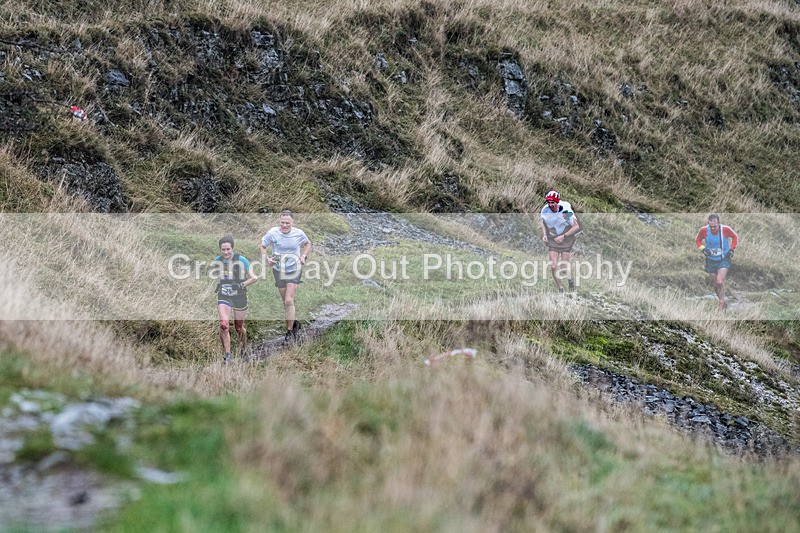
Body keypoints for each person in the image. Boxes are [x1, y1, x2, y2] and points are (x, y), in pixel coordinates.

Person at [260, 210, 312, 344]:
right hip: (278, 270)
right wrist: (267, 259)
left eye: (287, 223)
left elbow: (308, 243)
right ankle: (294, 324)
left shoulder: (298, 233)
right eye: (282, 222)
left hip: (294, 268)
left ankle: (289, 333)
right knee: (286, 302)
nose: (284, 225)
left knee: (289, 301)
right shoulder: (272, 233)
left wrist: (303, 256)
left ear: (292, 223)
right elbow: (262, 246)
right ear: (279, 222)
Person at [214, 236, 257, 363]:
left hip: (239, 296)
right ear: (220, 250)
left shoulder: (241, 260)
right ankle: (227, 355)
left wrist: (240, 285)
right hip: (224, 296)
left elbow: (254, 277)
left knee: (239, 327)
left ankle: (244, 349)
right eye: (223, 249)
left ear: (232, 248)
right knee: (224, 325)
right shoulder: (217, 260)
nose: (226, 252)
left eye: (228, 249)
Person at [540, 190, 582, 293]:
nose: (550, 205)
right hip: (553, 238)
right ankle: (560, 288)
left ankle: (570, 280)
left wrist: (563, 236)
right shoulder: (545, 211)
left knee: (563, 268)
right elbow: (543, 222)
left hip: (566, 237)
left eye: (552, 202)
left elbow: (576, 226)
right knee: (553, 266)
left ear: (557, 202)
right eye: (548, 202)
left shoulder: (564, 213)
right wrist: (545, 234)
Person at [695, 214, 738, 311]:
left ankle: (721, 304)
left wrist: (732, 249)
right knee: (715, 284)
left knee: (719, 281)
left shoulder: (725, 229)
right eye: (711, 226)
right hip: (710, 260)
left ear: (719, 223)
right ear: (708, 224)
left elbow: (735, 237)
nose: (713, 228)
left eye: (715, 226)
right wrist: (703, 249)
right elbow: (698, 240)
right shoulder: (704, 230)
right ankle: (722, 301)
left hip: (724, 259)